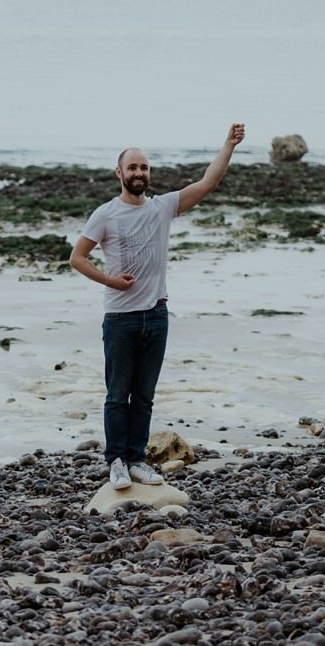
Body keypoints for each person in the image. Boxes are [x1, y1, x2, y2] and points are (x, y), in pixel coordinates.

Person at [70, 123, 246, 489]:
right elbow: (78, 257)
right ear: (119, 173)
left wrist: (228, 144)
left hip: (157, 315)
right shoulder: (105, 214)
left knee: (145, 396)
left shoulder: (163, 208)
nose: (139, 173)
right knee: (118, 395)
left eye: (144, 168)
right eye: (132, 168)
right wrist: (110, 281)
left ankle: (137, 459)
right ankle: (116, 462)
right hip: (120, 318)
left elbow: (207, 183)